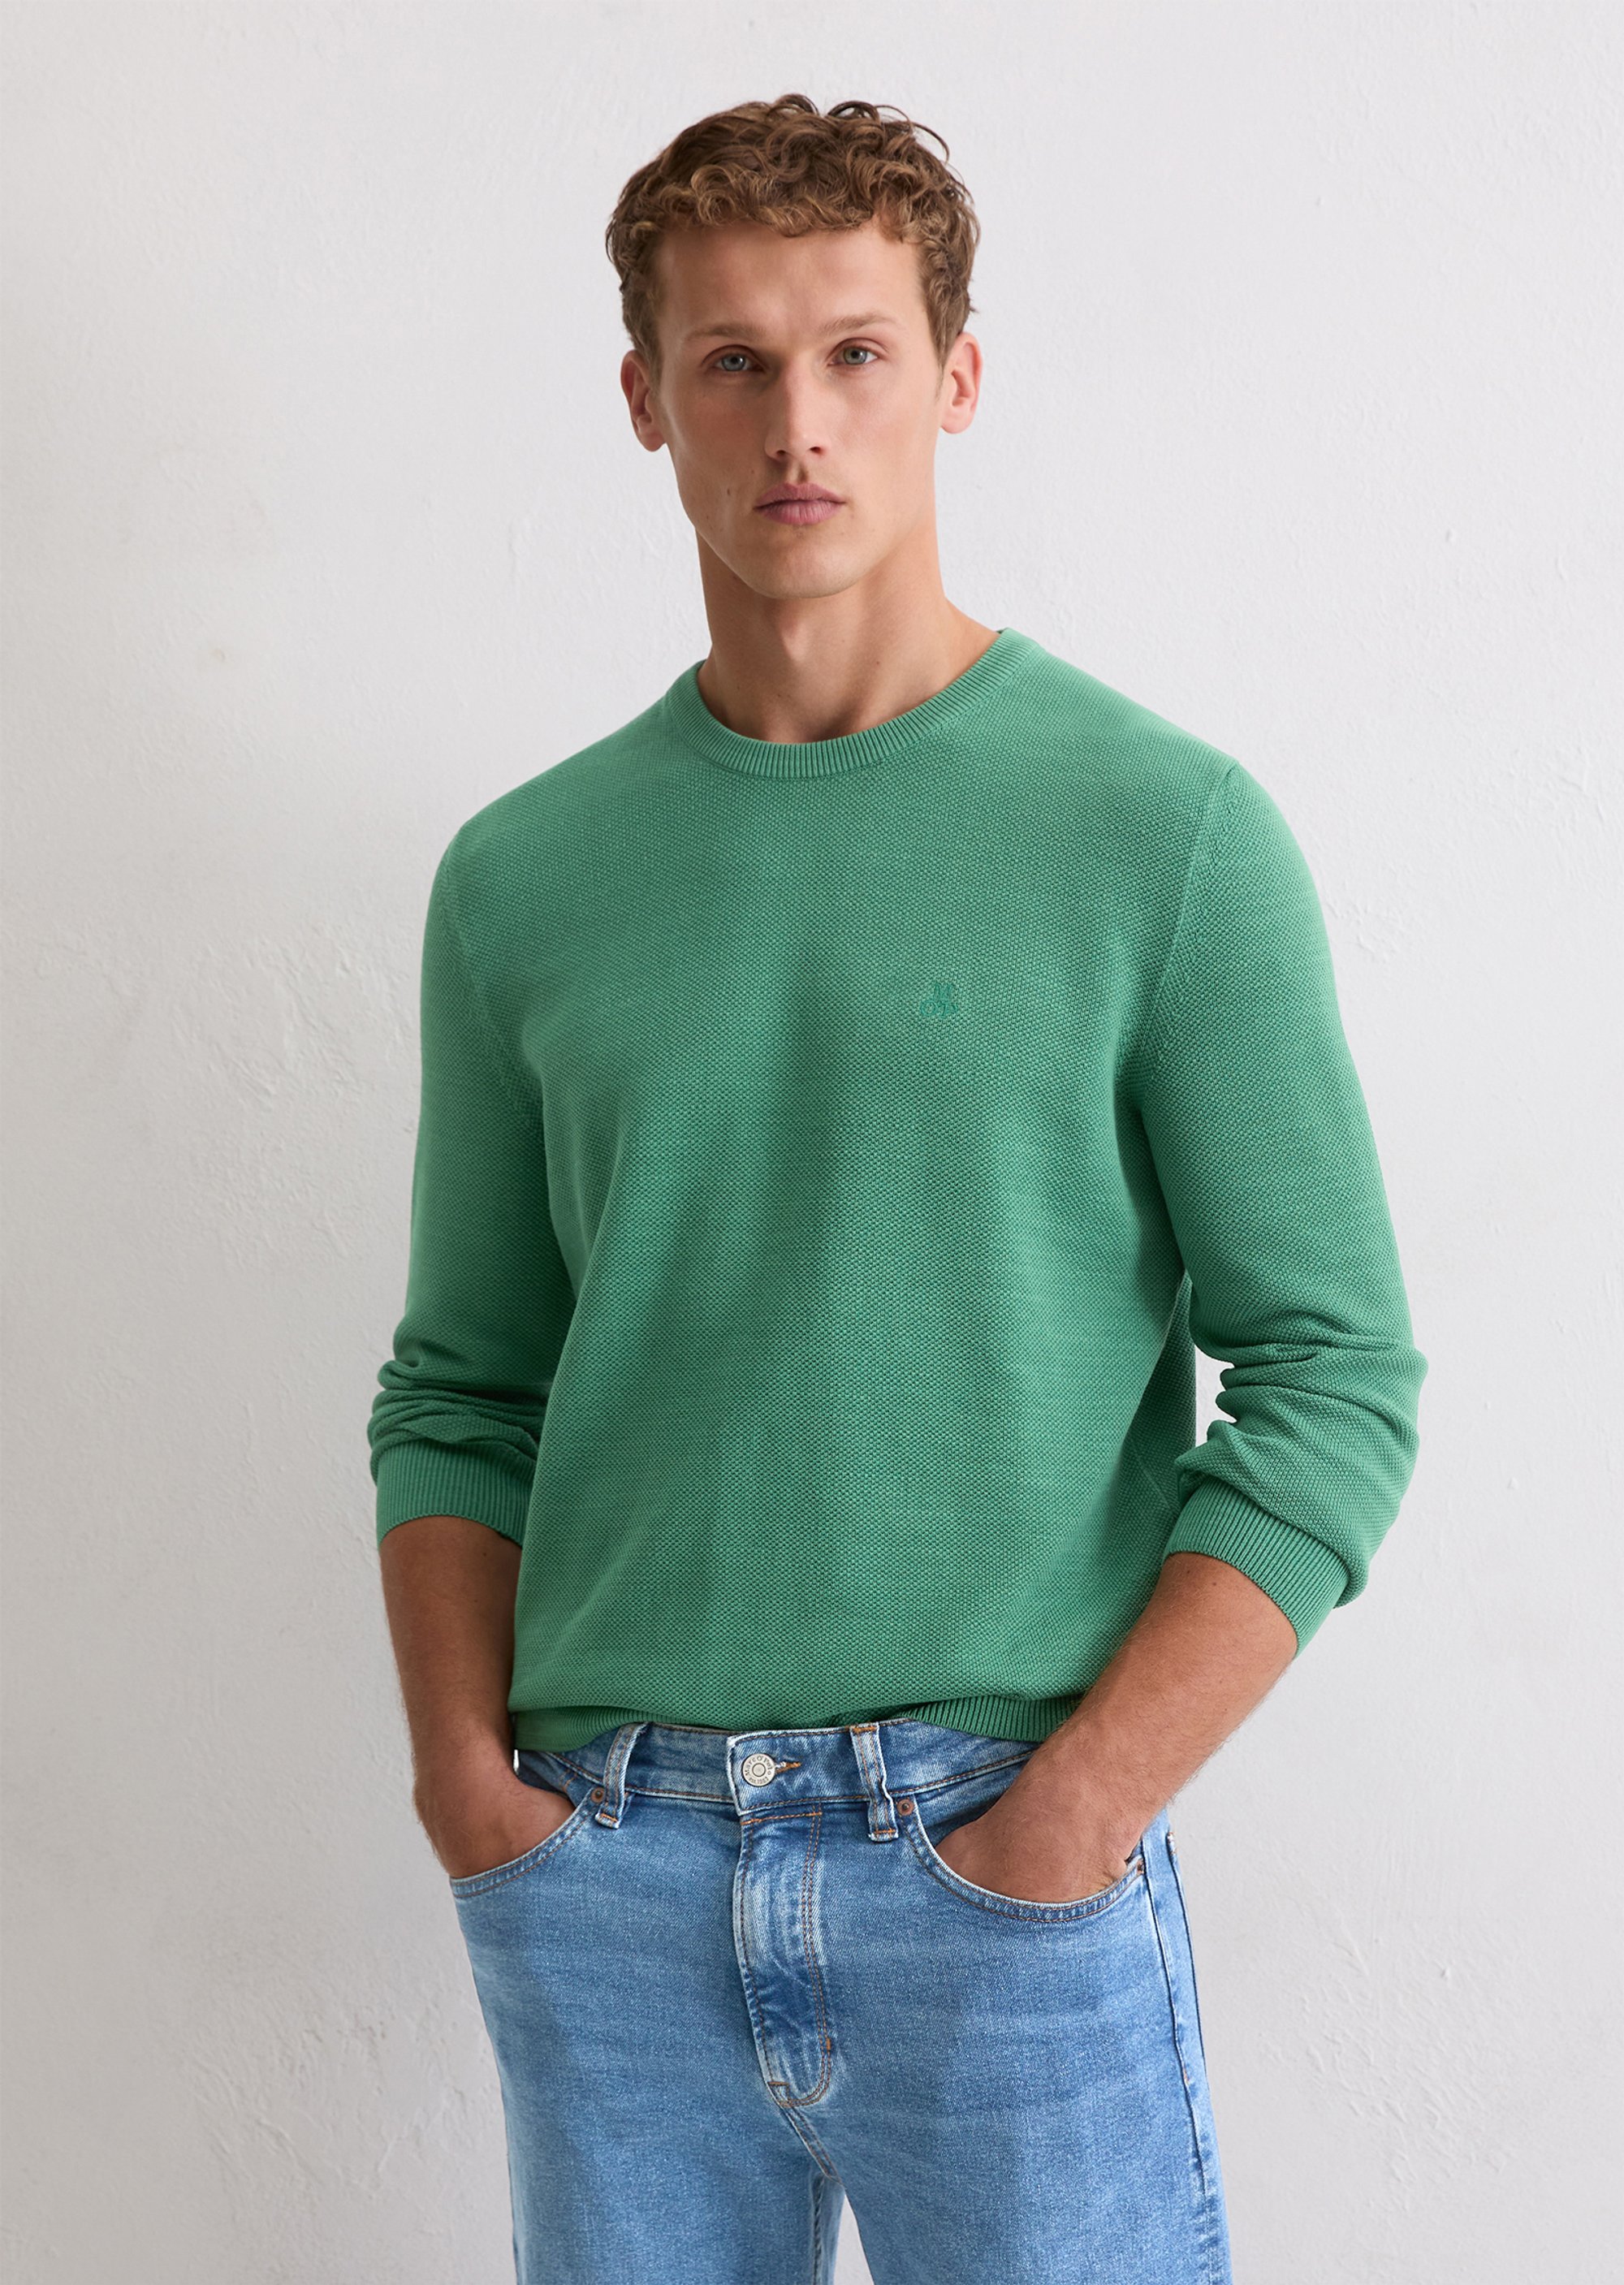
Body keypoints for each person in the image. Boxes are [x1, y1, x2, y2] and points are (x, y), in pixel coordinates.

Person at [367, 92, 1426, 2285]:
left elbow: (1334, 1377)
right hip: (609, 1866)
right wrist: (472, 1788)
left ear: (956, 375)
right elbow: (465, 1387)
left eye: (856, 351)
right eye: (734, 360)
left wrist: (1081, 1809)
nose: (798, 421)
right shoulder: (523, 879)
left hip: (998, 1851)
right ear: (646, 398)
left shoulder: (1162, 832)